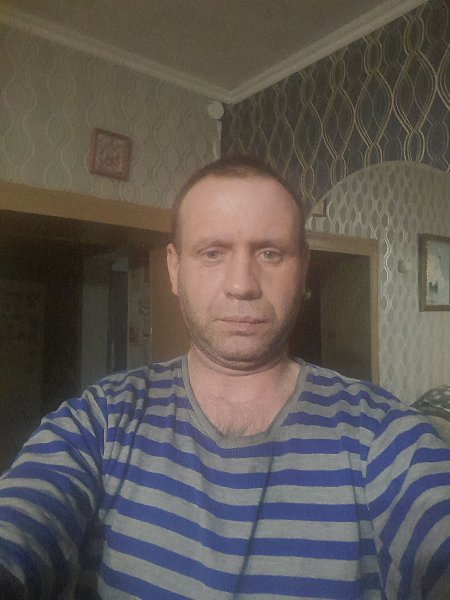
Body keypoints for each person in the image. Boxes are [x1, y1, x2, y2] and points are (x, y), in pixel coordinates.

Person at [0, 156, 449, 599]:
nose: (241, 284)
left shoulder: (382, 434)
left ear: (303, 269)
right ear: (175, 269)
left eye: (270, 253)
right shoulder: (102, 419)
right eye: (213, 253)